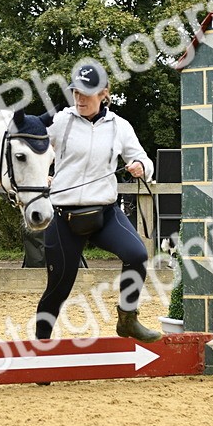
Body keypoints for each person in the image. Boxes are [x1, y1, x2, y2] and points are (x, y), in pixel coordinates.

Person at [32, 63, 161, 342]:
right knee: (58, 289)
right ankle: (40, 346)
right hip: (63, 215)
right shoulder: (60, 121)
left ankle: (128, 319)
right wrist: (44, 176)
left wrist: (140, 165)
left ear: (104, 93)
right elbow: (33, 149)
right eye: (75, 92)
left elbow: (144, 160)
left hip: (104, 213)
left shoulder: (119, 126)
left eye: (86, 94)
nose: (79, 99)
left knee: (137, 254)